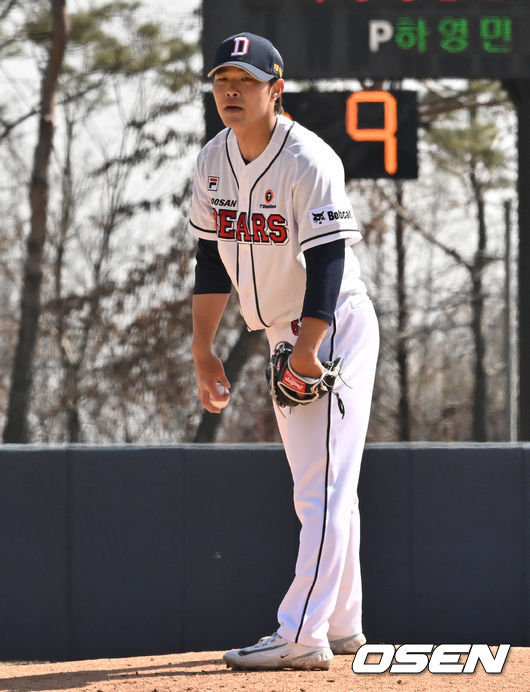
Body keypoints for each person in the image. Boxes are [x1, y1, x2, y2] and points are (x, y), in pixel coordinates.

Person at [188, 31, 379, 671]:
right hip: (280, 330)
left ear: (276, 89)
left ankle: (301, 632)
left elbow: (329, 260)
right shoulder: (212, 160)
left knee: (318, 486)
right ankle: (344, 623)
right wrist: (203, 348)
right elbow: (210, 261)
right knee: (328, 484)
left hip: (330, 327)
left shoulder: (308, 158)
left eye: (245, 81)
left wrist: (308, 349)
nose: (231, 92)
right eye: (222, 81)